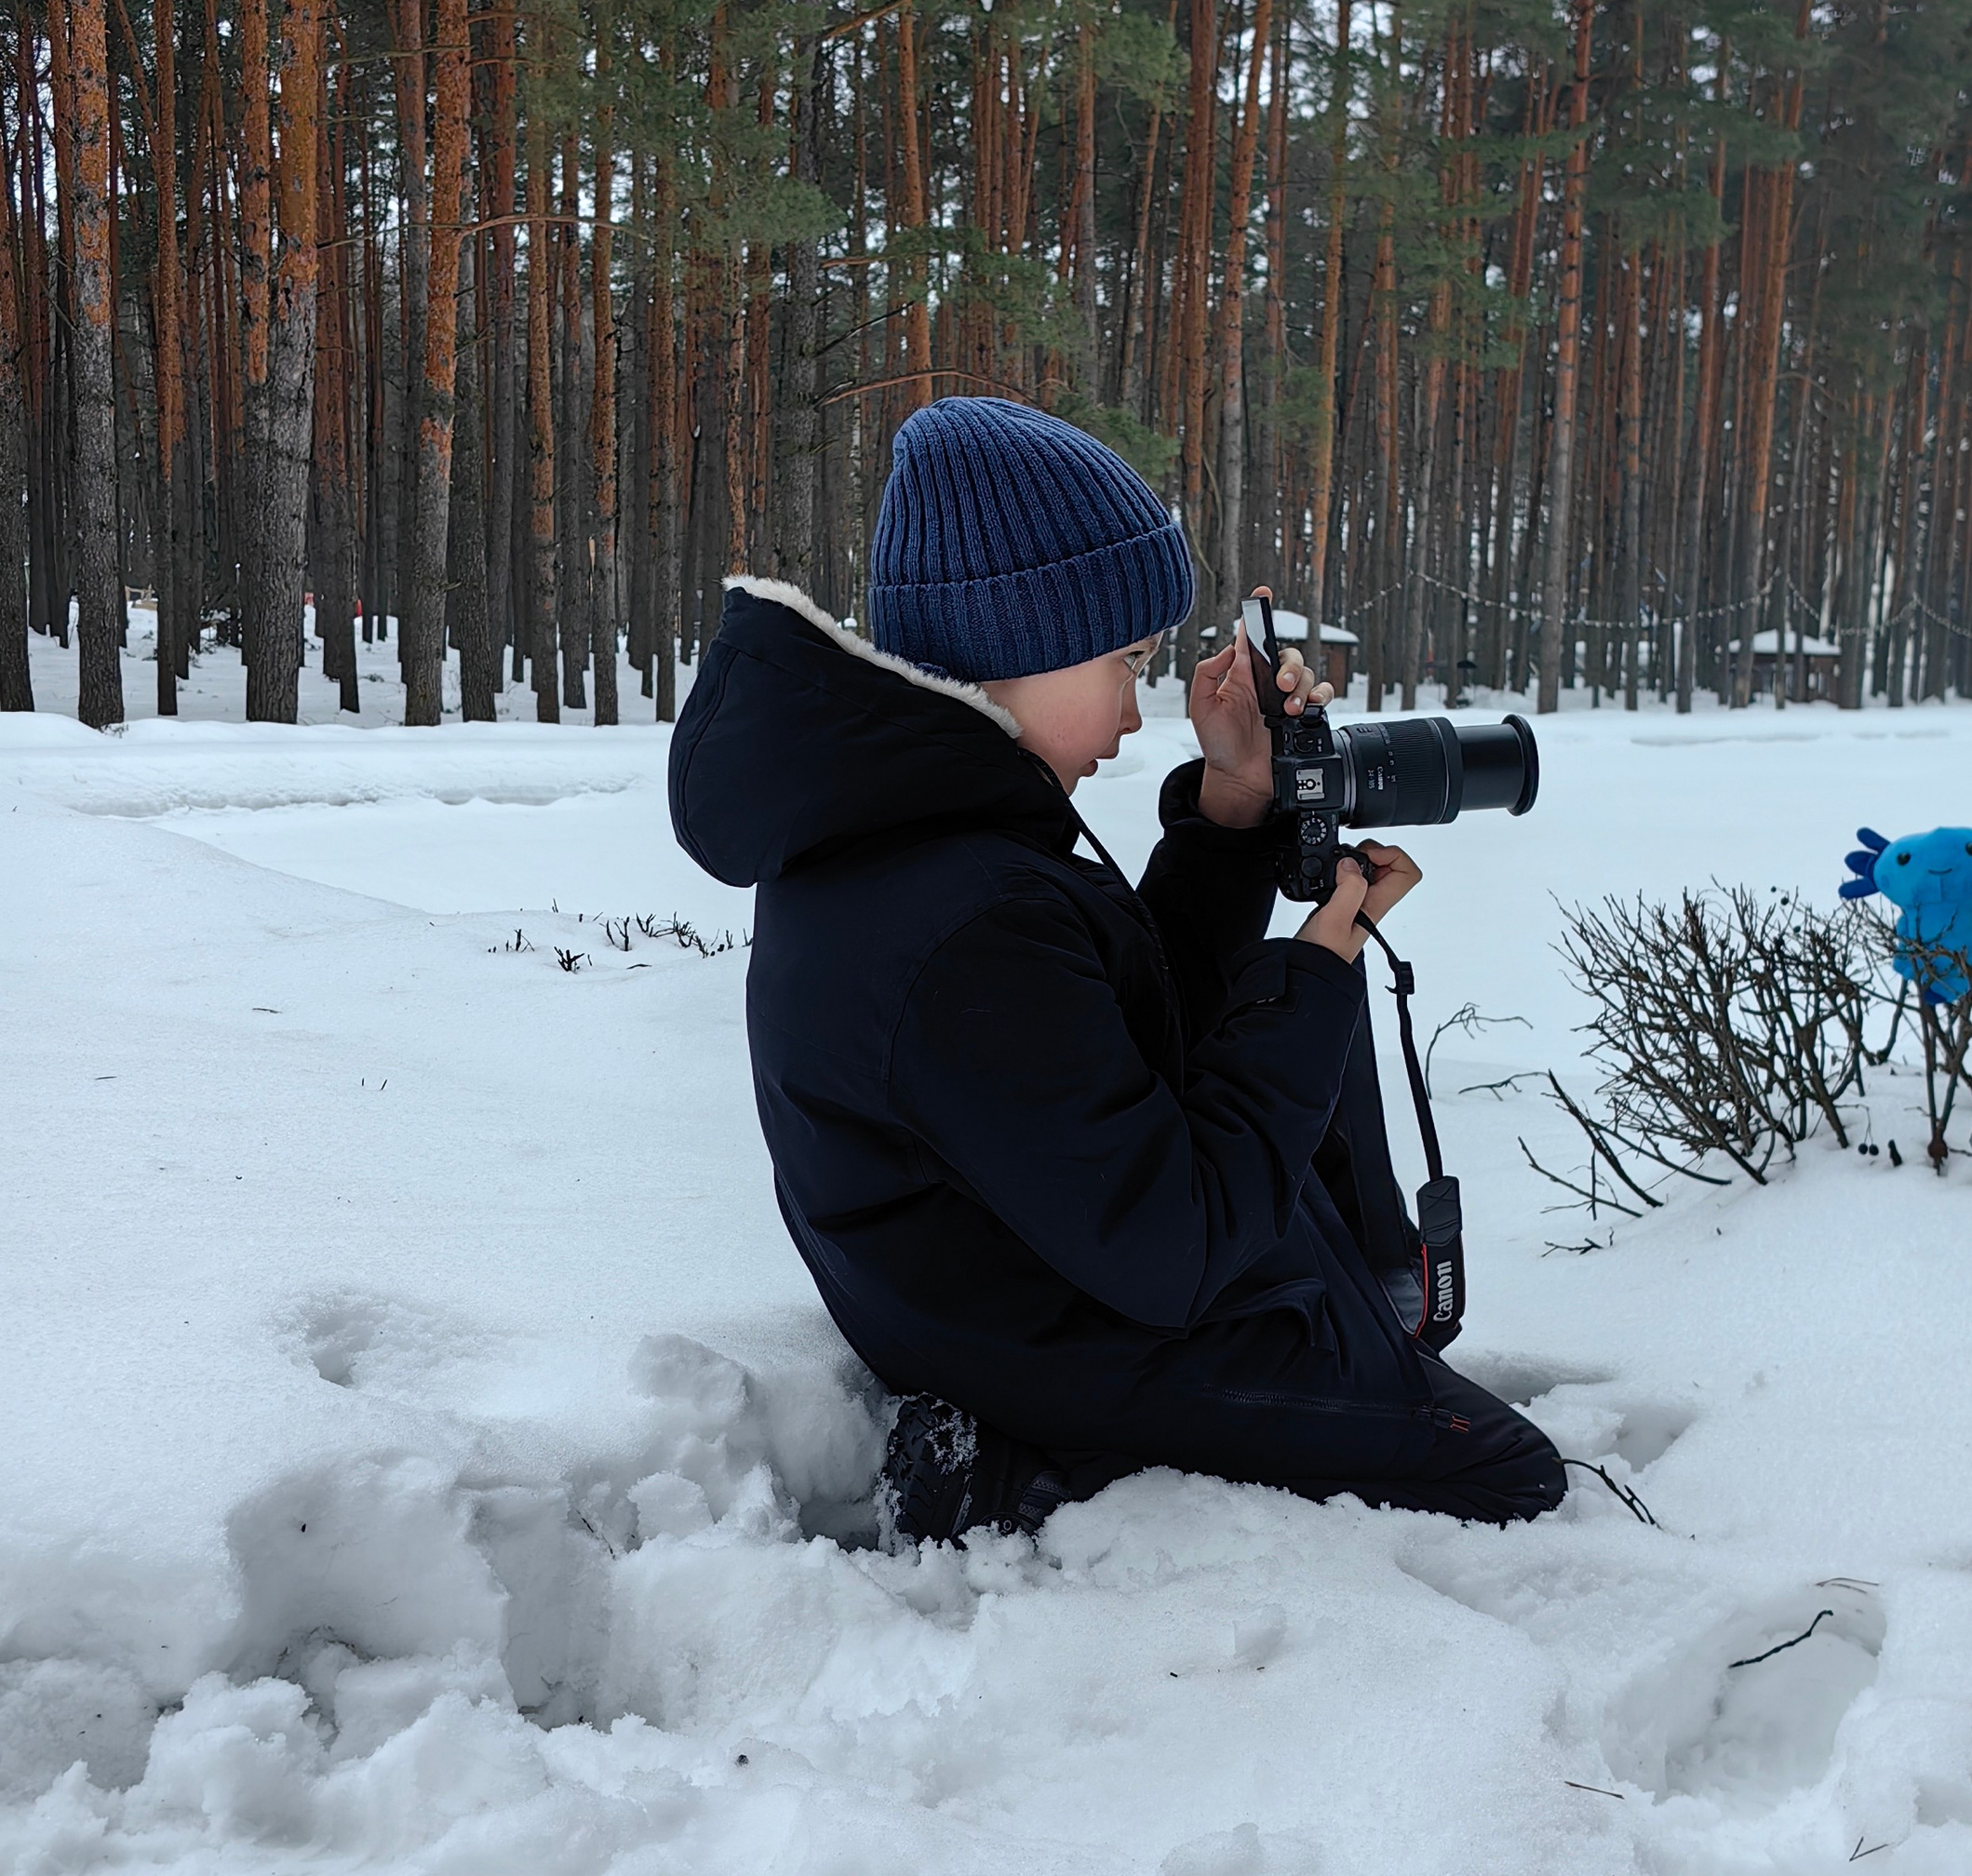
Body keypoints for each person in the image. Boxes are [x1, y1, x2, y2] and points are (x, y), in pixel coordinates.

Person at [667, 395, 1565, 1543]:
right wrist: (1319, 970)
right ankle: (1020, 1470)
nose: (1138, 716)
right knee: (1503, 1473)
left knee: (1371, 1334)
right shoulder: (962, 906)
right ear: (1018, 640)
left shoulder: (921, 825)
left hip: (1039, 1290)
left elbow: (1115, 1052)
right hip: (1073, 1340)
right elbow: (1173, 1243)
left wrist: (1236, 808)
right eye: (1124, 660)